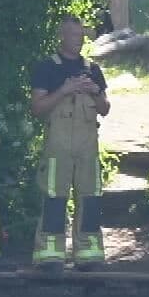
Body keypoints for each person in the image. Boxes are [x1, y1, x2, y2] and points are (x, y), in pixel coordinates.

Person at [29, 16, 111, 272]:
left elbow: (105, 109)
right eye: (74, 35)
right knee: (54, 198)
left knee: (90, 198)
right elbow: (37, 108)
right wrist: (65, 90)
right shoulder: (47, 68)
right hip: (58, 145)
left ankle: (88, 255)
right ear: (61, 36)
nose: (79, 40)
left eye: (81, 35)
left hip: (88, 146)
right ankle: (50, 256)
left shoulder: (92, 69)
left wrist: (94, 91)